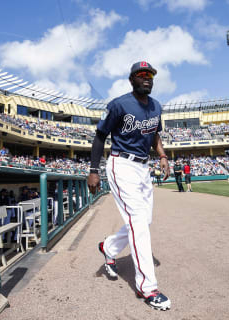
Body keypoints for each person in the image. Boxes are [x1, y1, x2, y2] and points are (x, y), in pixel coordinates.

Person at [87, 61, 171, 311]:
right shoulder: (119, 104)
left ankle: (109, 247)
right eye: (142, 74)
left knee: (143, 221)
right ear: (132, 79)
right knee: (138, 223)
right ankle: (147, 288)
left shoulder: (156, 106)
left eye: (150, 75)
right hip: (121, 165)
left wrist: (163, 156)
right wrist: (93, 170)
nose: (147, 78)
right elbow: (100, 136)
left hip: (143, 168)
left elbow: (155, 135)